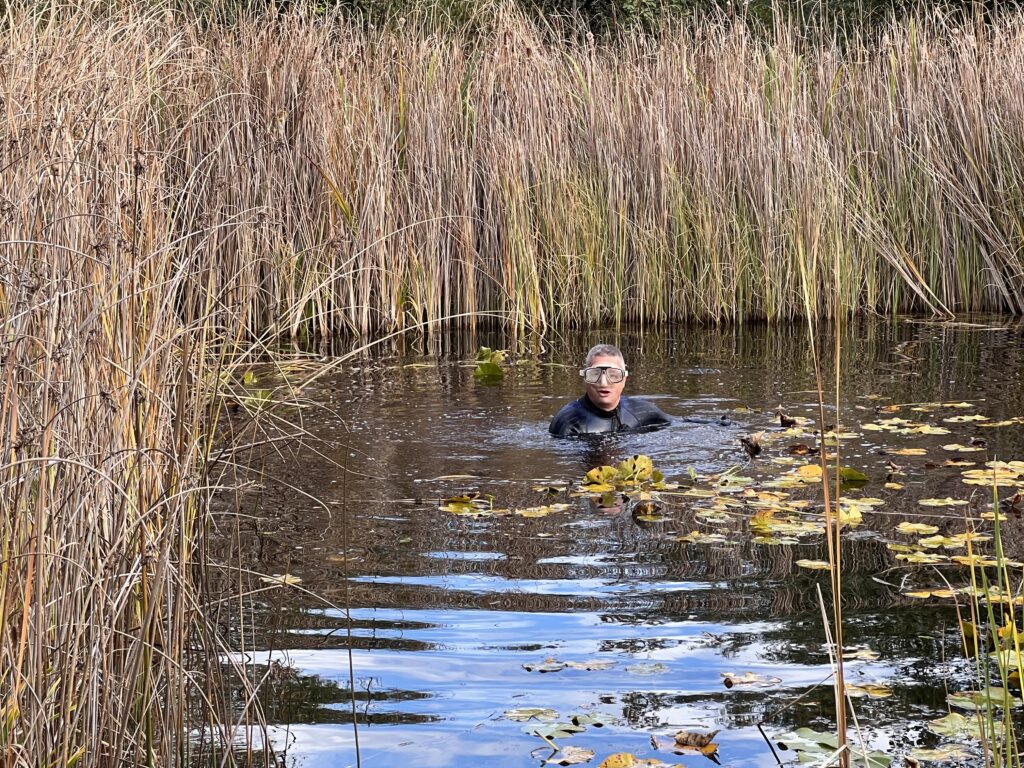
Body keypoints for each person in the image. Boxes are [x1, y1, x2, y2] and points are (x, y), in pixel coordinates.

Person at [548, 344, 672, 437]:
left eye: (613, 375)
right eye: (594, 374)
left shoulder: (643, 411)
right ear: (585, 379)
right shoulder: (569, 423)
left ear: (624, 379)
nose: (603, 383)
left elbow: (678, 423)